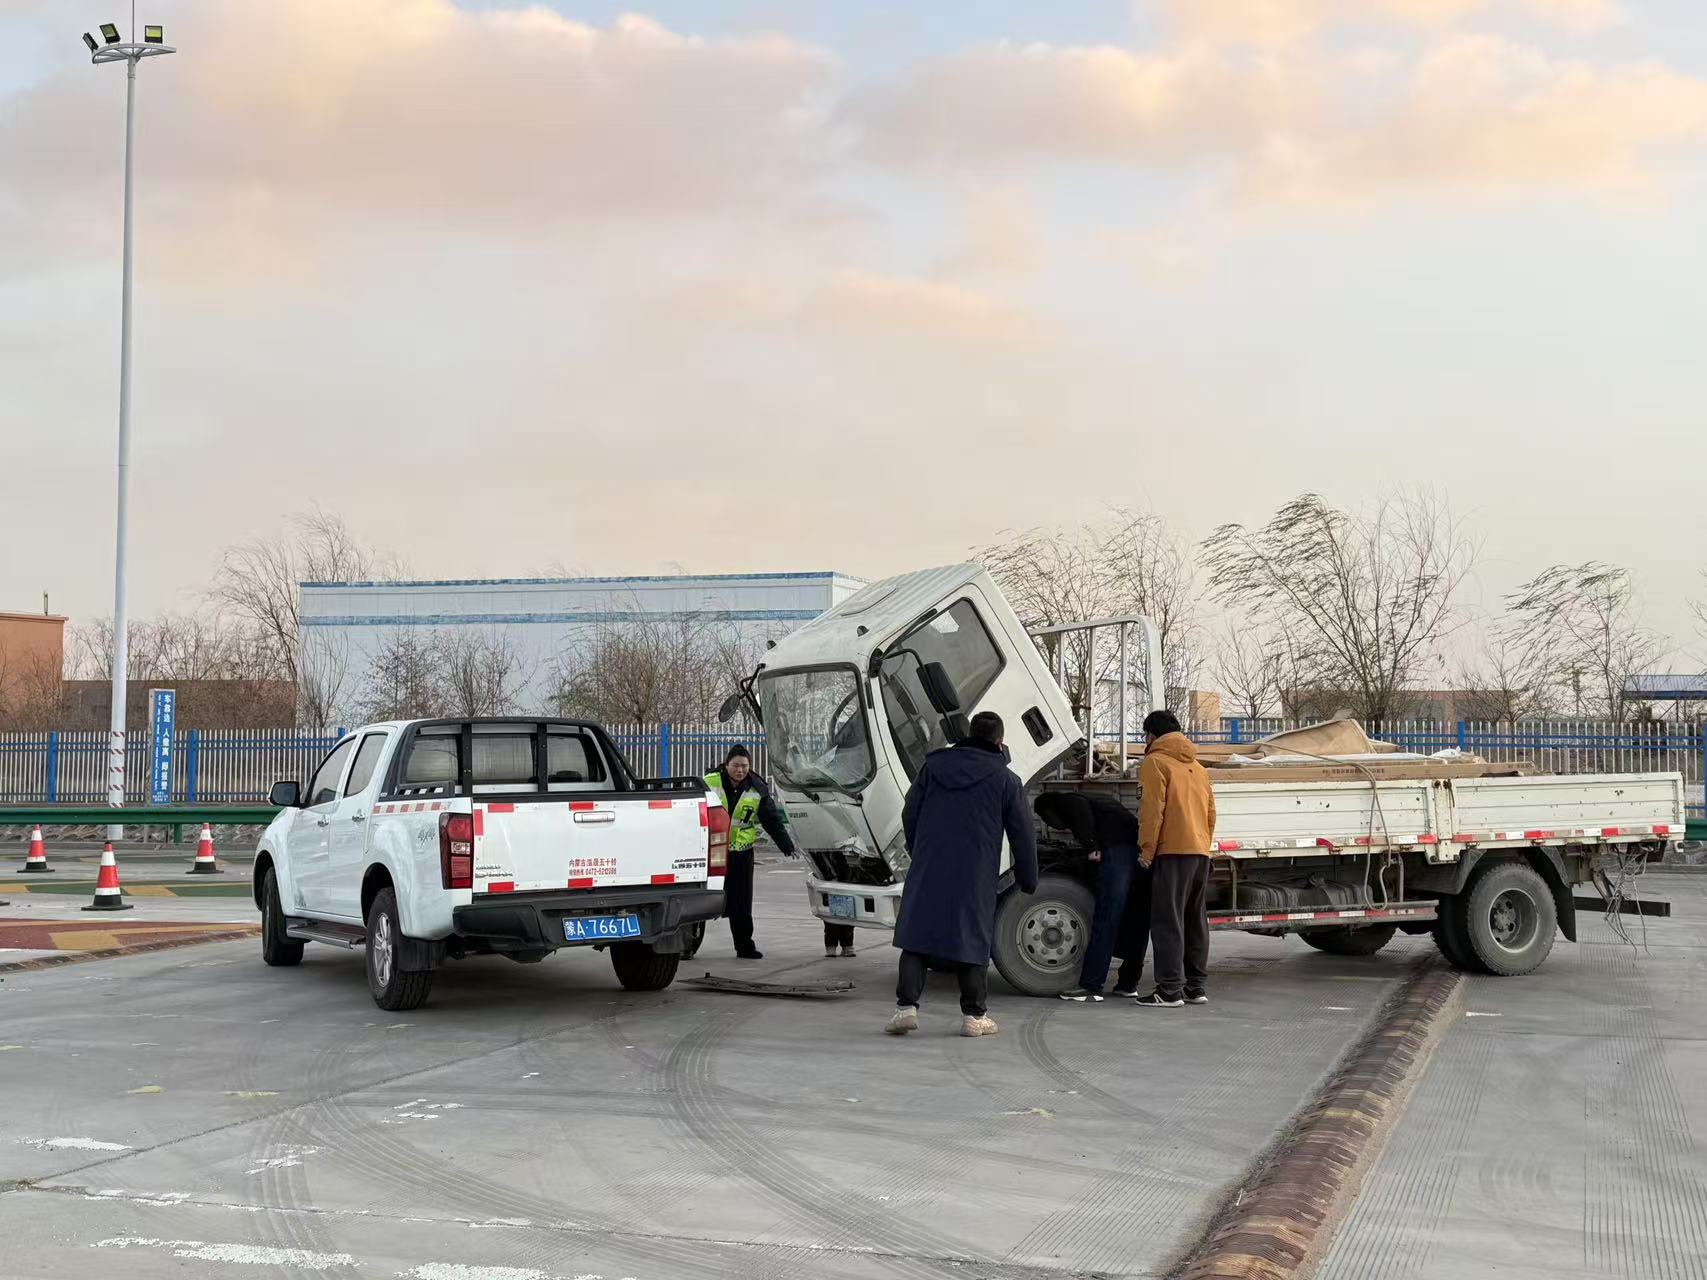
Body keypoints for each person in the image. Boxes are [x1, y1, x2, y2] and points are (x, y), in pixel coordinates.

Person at [886, 710, 1038, 1038]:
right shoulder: (1006, 780)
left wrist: (919, 850)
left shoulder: (933, 767)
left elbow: (909, 811)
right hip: (975, 871)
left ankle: (906, 1008)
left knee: (917, 935)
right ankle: (974, 1016)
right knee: (972, 936)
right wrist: (1028, 878)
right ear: (999, 742)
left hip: (930, 864)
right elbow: (1023, 832)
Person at [1135, 710, 1217, 1009]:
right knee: (1195, 920)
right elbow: (1210, 814)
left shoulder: (1154, 762)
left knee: (1168, 920)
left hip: (1171, 852)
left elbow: (1151, 812)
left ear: (1151, 736)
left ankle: (1169, 990)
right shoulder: (1197, 767)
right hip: (1199, 851)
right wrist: (1202, 845)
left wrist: (1146, 851)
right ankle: (1195, 987)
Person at [1034, 790, 1149, 1002]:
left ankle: (1091, 986)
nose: (1053, 826)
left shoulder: (1067, 800)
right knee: (1137, 918)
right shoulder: (1100, 799)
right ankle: (1128, 983)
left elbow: (1079, 810)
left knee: (1106, 917)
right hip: (1139, 851)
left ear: (1049, 810)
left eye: (1047, 820)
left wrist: (1090, 846)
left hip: (1117, 853)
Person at [704, 744, 796, 960]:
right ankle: (687, 946)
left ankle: (744, 946)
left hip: (741, 854)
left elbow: (771, 820)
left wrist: (786, 845)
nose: (740, 770)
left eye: (744, 766)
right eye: (736, 765)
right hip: (714, 852)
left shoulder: (757, 788)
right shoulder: (709, 783)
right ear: (726, 765)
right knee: (702, 898)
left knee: (742, 902)